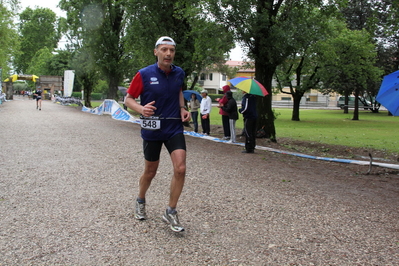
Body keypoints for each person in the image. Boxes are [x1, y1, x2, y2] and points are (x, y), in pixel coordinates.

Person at [124, 36, 190, 232]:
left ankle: (170, 211)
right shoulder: (143, 74)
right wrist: (141, 108)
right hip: (152, 127)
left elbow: (178, 90)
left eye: (171, 50)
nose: (168, 53)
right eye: (164, 49)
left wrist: (182, 107)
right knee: (150, 171)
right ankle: (140, 199)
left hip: (173, 127)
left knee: (180, 168)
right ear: (156, 52)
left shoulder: (179, 73)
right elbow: (128, 99)